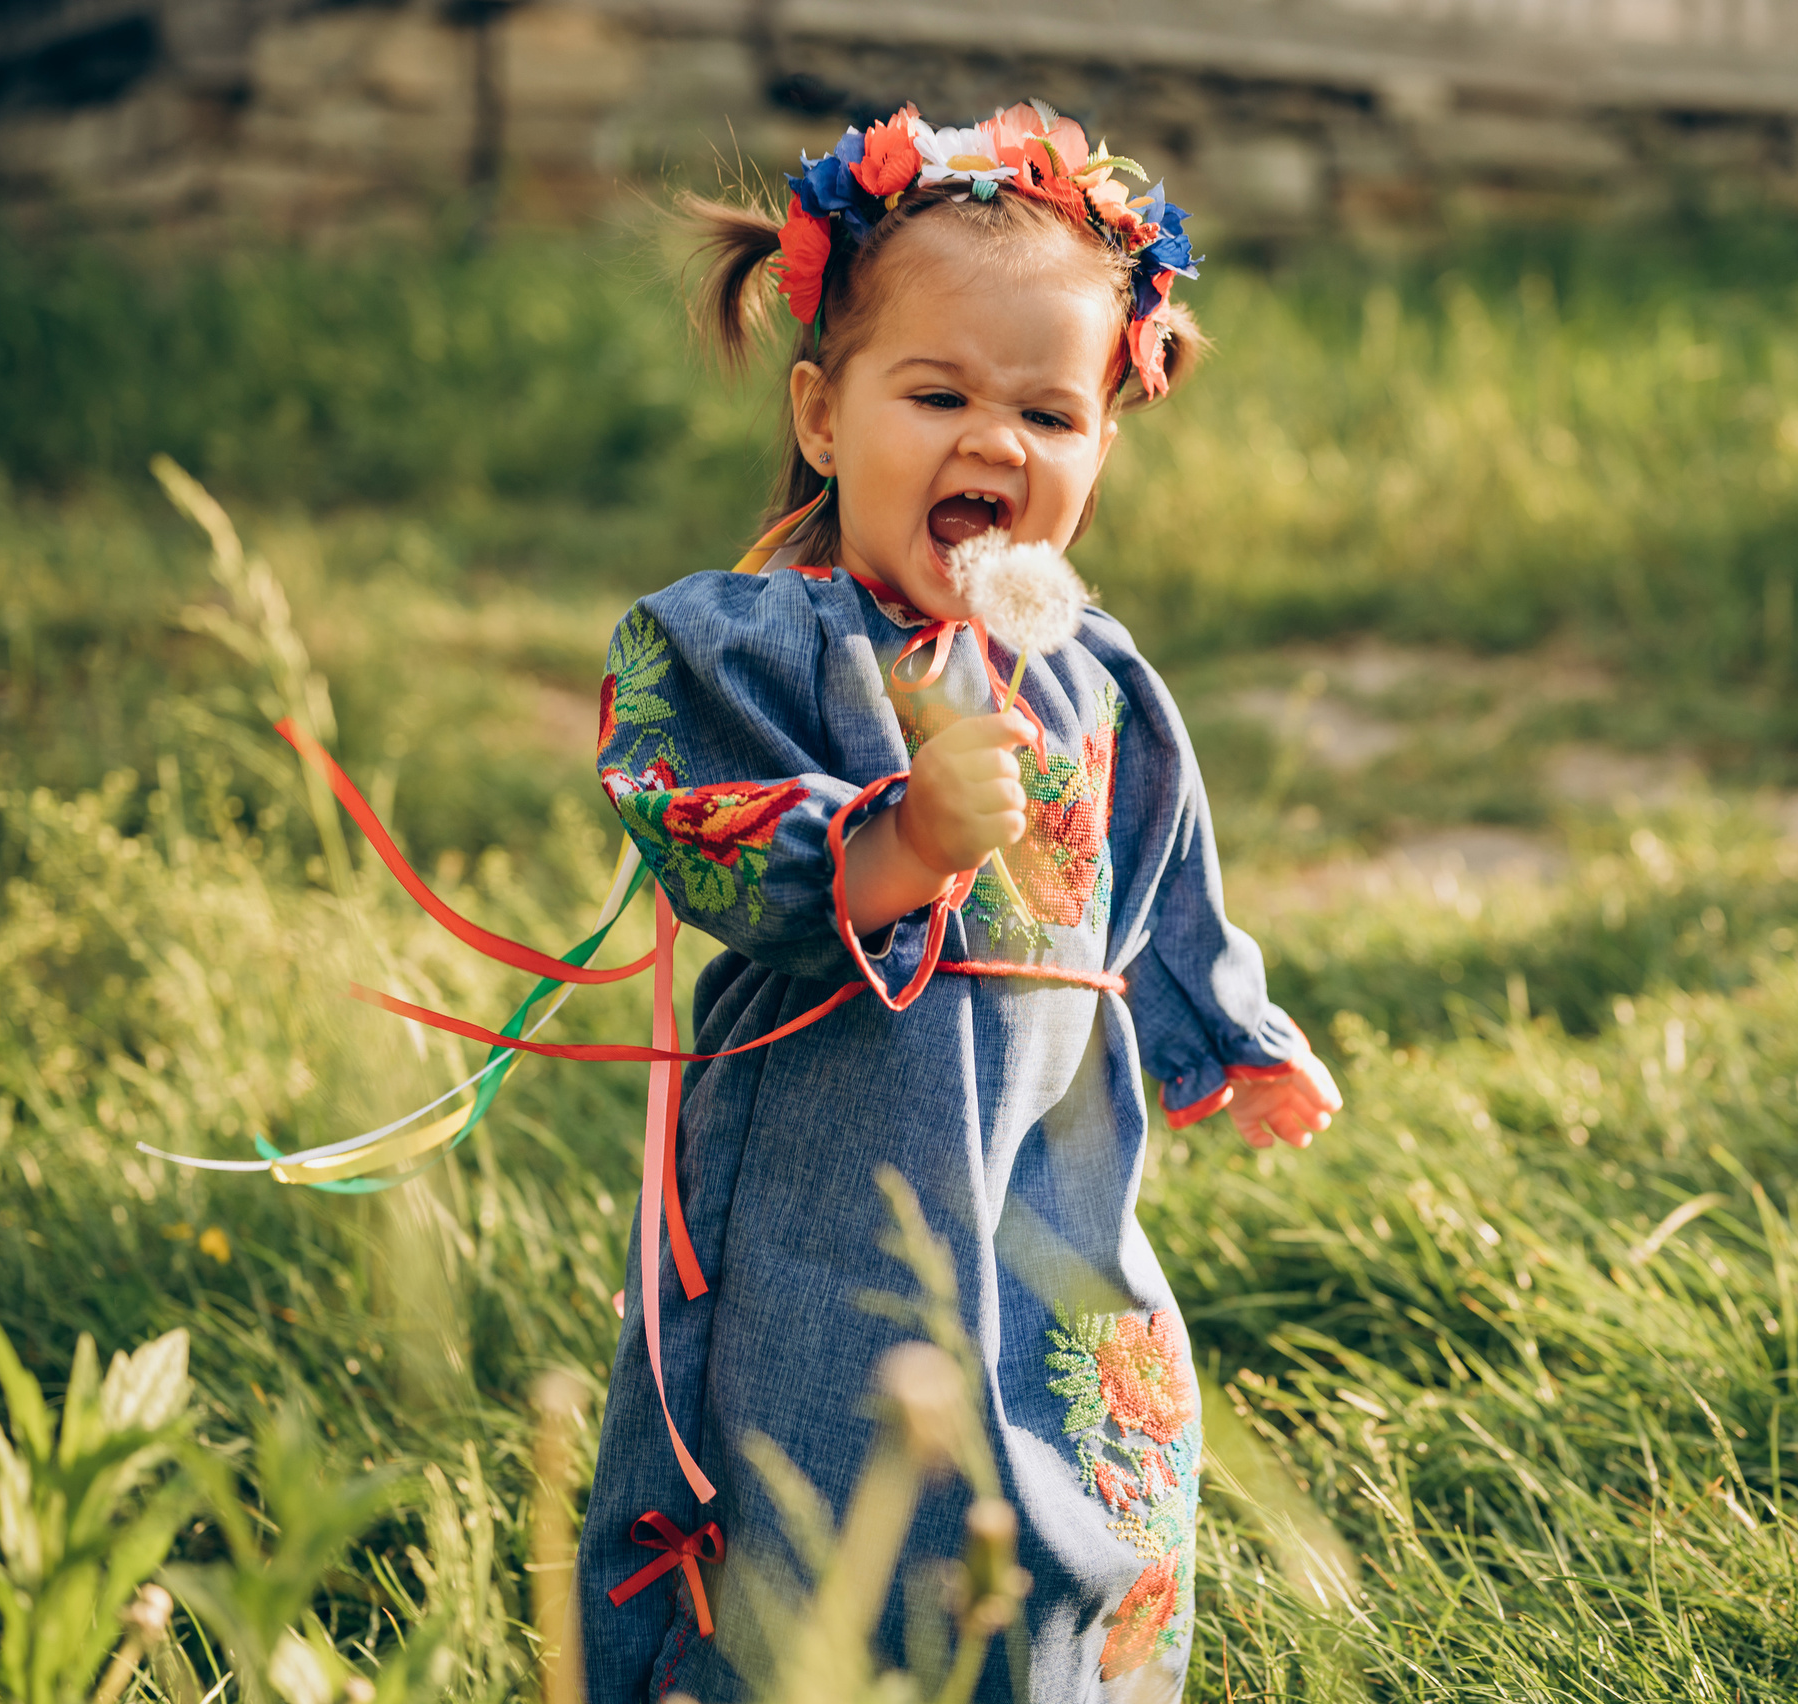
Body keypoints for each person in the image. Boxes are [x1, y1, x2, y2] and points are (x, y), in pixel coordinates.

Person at [576, 101, 1344, 1701]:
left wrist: (1228, 1033)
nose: (995, 443)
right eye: (937, 396)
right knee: (828, 1481)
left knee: (1073, 1466)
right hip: (834, 1176)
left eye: (1049, 414)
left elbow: (1158, 875)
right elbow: (694, 823)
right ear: (823, 414)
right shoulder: (765, 647)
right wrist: (900, 842)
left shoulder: (1094, 677)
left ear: (1103, 445)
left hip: (1051, 1168)